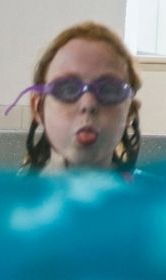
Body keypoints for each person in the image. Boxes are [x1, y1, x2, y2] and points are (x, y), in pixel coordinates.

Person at [8, 21, 143, 174]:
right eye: (67, 88)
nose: (88, 104)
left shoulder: (158, 195)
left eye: (108, 90)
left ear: (129, 112)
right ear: (38, 107)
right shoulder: (5, 196)